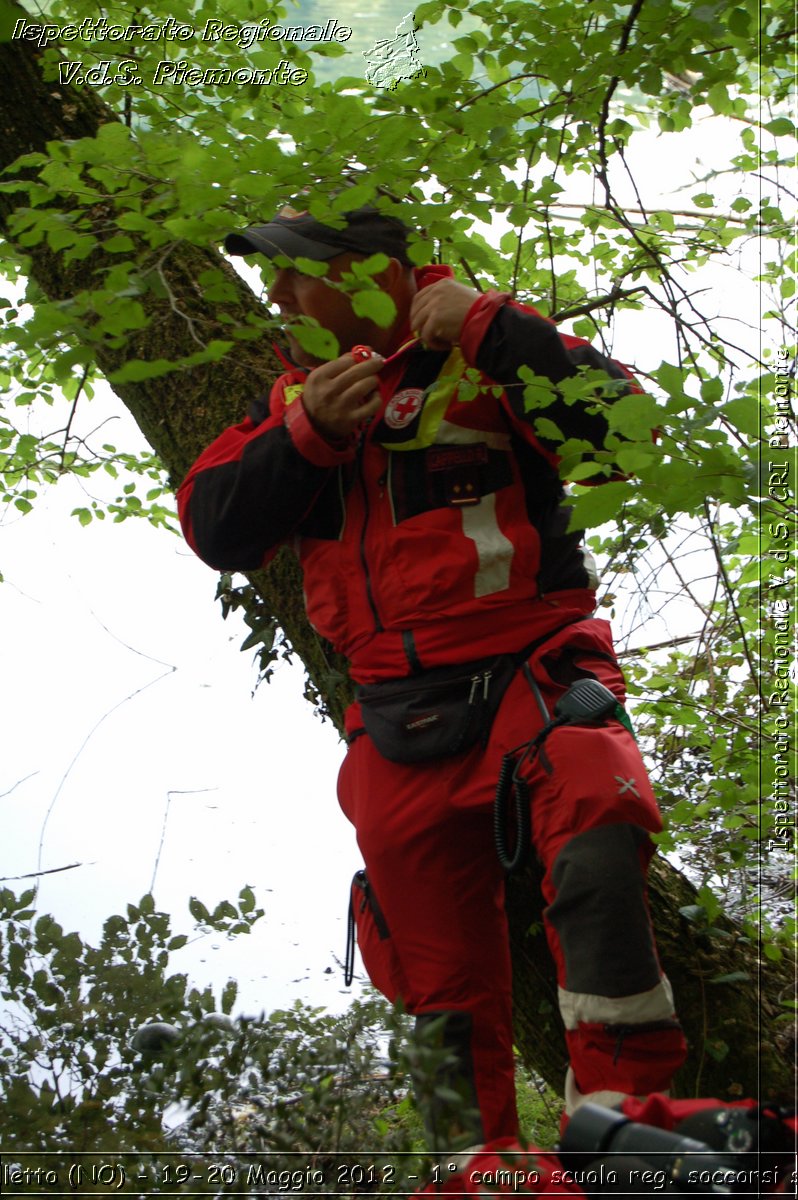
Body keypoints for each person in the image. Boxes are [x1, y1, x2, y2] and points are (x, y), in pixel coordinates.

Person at [177, 200, 687, 1147]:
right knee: (434, 982)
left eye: (297, 270)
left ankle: (623, 1129)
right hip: (393, 712)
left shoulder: (487, 349)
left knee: (598, 826)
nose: (276, 293)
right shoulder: (292, 401)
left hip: (535, 665)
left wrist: (489, 328)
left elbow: (628, 438)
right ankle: (474, 1166)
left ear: (379, 270)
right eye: (271, 273)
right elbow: (216, 529)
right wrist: (305, 438)